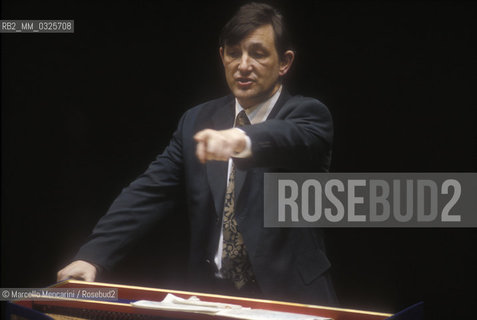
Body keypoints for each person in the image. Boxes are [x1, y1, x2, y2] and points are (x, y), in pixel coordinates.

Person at [57, 2, 337, 305]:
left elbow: (289, 139)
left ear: (284, 62)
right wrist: (92, 256)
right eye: (233, 53)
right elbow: (148, 193)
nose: (243, 65)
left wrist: (239, 140)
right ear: (222, 57)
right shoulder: (197, 121)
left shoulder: (309, 115)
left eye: (257, 53)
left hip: (290, 300)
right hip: (213, 299)